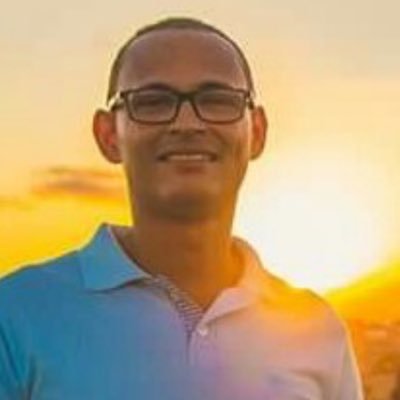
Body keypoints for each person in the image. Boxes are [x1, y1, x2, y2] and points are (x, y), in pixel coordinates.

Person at [0, 17, 364, 400]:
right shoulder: (16, 315)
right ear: (108, 135)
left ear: (257, 131)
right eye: (153, 102)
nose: (187, 123)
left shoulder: (318, 332)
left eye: (217, 100)